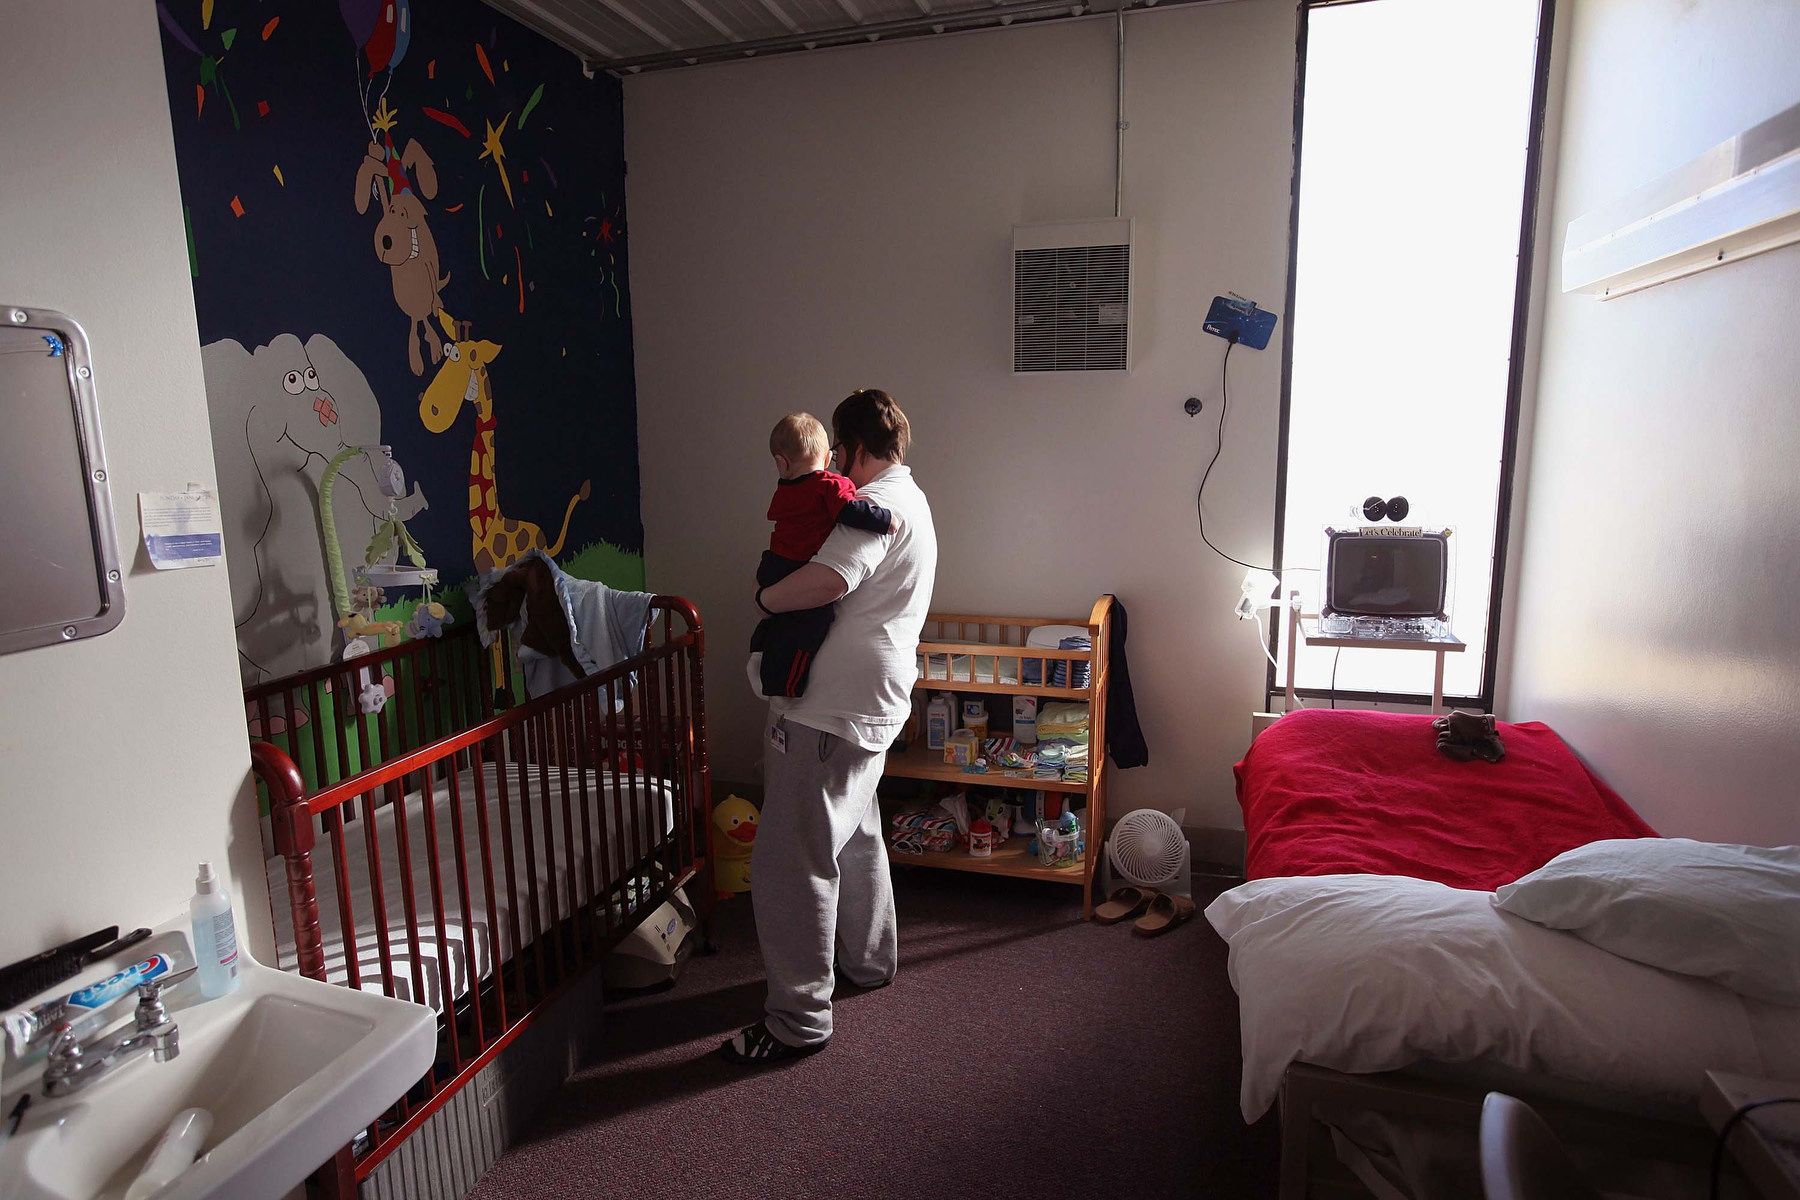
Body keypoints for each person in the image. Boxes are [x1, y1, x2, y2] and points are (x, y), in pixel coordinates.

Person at [722, 388, 937, 1064]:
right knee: (856, 833)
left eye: (839, 453)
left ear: (853, 449)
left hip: (829, 709)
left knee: (792, 860)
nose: (834, 465)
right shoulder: (915, 497)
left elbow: (829, 580)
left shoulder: (876, 508)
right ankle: (869, 962)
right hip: (870, 702)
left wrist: (764, 596)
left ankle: (798, 1019)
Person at [750, 412, 895, 699]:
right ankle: (785, 686)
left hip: (773, 564)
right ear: (828, 456)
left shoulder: (783, 490)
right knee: (810, 626)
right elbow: (848, 511)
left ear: (782, 462)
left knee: (775, 619)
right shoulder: (830, 484)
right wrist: (885, 520)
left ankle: (759, 650)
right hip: (800, 567)